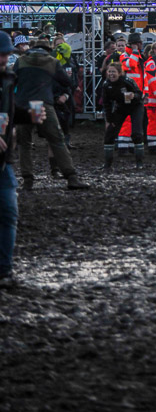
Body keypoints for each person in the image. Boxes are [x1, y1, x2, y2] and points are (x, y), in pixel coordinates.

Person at [14, 39, 89, 191]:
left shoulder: (20, 61)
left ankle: (27, 179)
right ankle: (71, 176)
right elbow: (67, 82)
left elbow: (12, 80)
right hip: (42, 105)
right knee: (56, 140)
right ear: (48, 50)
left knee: (25, 144)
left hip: (23, 105)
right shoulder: (52, 61)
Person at [0, 31, 26, 284]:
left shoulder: (8, 78)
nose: (5, 57)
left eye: (7, 53)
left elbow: (11, 112)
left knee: (9, 212)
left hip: (4, 157)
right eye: (2, 53)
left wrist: (29, 115)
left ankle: (5, 270)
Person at [102, 62, 145, 169]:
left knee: (136, 134)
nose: (111, 74)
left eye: (114, 72)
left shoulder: (127, 81)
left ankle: (139, 163)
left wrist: (133, 95)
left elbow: (140, 94)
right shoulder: (106, 85)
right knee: (109, 134)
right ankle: (107, 165)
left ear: (120, 73)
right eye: (109, 71)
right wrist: (109, 119)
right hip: (121, 107)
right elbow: (106, 103)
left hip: (135, 107)